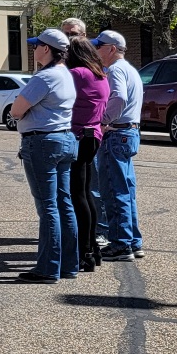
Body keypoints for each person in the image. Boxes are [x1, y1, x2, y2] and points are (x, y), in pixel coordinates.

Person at [11, 28, 79, 283]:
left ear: (46, 49)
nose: (34, 49)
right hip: (65, 139)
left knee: (48, 207)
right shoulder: (65, 74)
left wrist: (22, 113)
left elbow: (17, 109)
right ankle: (68, 265)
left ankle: (48, 268)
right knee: (64, 203)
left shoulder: (45, 77)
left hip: (42, 142)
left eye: (36, 45)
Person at [92, 30, 146, 262]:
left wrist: (104, 121)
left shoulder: (115, 70)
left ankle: (121, 245)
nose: (96, 51)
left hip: (117, 135)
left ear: (111, 49)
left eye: (99, 46)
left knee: (114, 191)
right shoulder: (130, 69)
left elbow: (119, 98)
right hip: (129, 133)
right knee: (126, 191)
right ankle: (133, 242)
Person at [65, 37, 109, 273]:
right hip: (94, 135)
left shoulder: (78, 74)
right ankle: (93, 248)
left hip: (78, 136)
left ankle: (84, 253)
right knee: (86, 193)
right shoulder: (101, 74)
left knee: (77, 195)